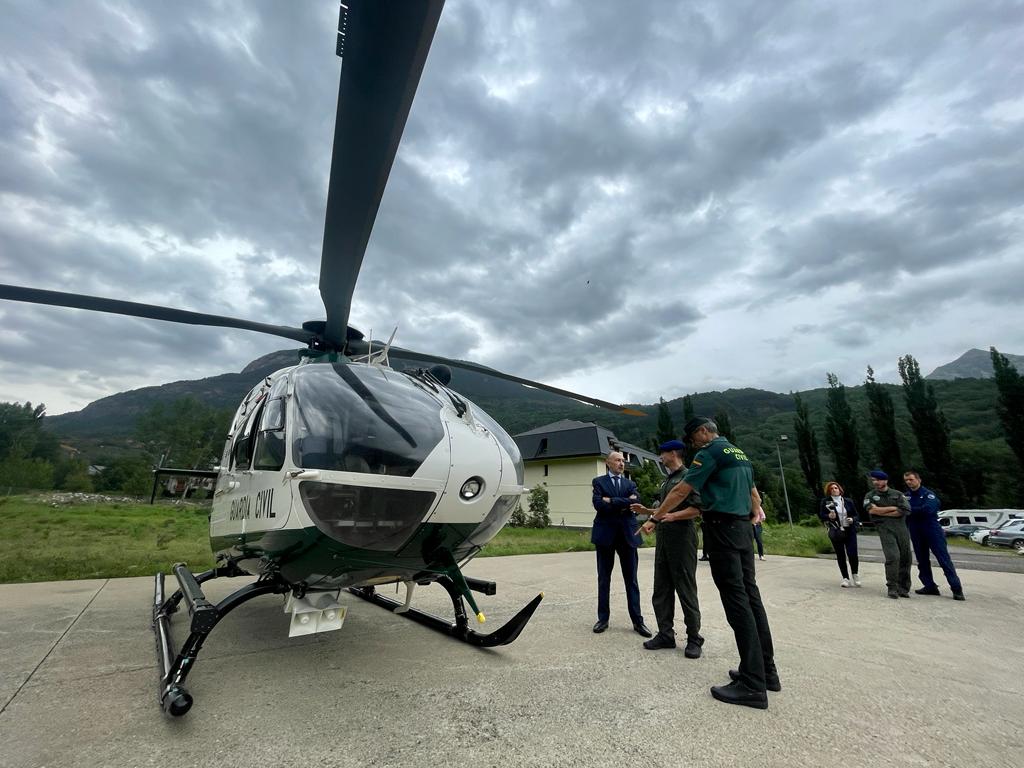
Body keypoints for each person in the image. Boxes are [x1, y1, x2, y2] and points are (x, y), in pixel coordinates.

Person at [657, 417, 779, 710]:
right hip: (743, 530)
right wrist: (754, 515)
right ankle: (766, 672)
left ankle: (752, 685)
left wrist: (656, 515)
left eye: (692, 438)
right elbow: (754, 495)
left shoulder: (710, 452)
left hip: (723, 529)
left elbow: (682, 490)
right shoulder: (739, 453)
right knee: (751, 597)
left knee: (737, 602)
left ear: (703, 431)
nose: (692, 444)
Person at [631, 440, 704, 658]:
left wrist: (673, 516)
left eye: (662, 454)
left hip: (682, 540)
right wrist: (648, 511)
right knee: (661, 589)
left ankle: (694, 638)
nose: (660, 457)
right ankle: (666, 634)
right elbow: (665, 510)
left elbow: (697, 509)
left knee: (686, 590)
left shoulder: (688, 477)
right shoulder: (668, 480)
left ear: (673, 453)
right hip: (664, 541)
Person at [590, 451, 652, 637]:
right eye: (617, 460)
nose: (622, 463)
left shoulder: (630, 484)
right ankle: (603, 619)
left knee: (631, 579)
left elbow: (636, 503)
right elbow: (598, 504)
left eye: (623, 461)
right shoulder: (599, 482)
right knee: (604, 578)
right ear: (608, 463)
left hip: (627, 535)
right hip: (605, 535)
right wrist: (625, 502)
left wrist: (611, 500)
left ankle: (638, 621)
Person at [903, 471, 965, 601]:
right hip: (915, 530)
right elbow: (902, 510)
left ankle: (956, 589)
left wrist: (910, 510)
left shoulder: (928, 494)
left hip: (931, 529)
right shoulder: (906, 496)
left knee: (943, 559)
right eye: (906, 480)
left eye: (911, 479)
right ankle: (929, 585)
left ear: (918, 480)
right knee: (922, 560)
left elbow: (928, 510)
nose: (909, 482)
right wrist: (911, 510)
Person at [863, 470, 912, 599]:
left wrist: (881, 511)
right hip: (885, 529)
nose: (875, 482)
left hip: (901, 529)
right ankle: (892, 587)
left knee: (905, 558)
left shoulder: (897, 494)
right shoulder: (870, 495)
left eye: (878, 480)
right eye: (873, 480)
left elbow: (905, 510)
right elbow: (872, 510)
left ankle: (903, 588)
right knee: (893, 557)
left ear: (885, 480)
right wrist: (893, 508)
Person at [818, 481, 860, 588]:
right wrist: (829, 516)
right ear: (829, 491)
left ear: (839, 489)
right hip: (836, 530)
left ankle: (855, 574)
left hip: (849, 530)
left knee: (852, 553)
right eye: (831, 489)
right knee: (840, 554)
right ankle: (845, 578)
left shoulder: (848, 501)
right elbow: (822, 515)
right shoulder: (826, 502)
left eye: (835, 488)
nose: (834, 490)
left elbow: (856, 515)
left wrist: (852, 519)